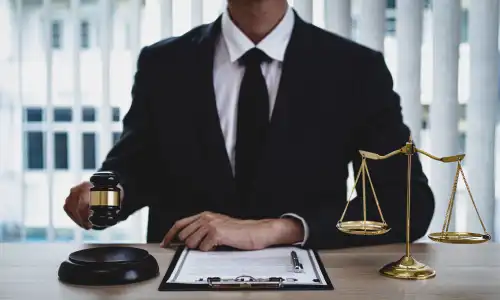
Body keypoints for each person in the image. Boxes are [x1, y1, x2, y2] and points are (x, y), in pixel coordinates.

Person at [64, 0, 435, 251]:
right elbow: (135, 170)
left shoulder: (355, 69)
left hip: (312, 280)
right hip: (181, 281)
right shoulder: (164, 63)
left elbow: (406, 204)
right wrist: (101, 199)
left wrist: (279, 228)